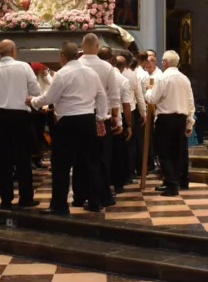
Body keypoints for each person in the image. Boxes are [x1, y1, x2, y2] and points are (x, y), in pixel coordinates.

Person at [28, 40, 109, 213]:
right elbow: (102, 96)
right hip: (88, 119)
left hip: (68, 123)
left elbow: (49, 98)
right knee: (91, 162)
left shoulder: (62, 74)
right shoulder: (91, 72)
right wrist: (100, 118)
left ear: (63, 56)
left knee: (61, 165)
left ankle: (59, 205)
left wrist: (32, 101)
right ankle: (95, 202)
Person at [0, 39, 40, 208]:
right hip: (20, 116)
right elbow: (36, 91)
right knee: (22, 158)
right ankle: (26, 197)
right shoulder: (23, 67)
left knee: (3, 159)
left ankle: (6, 198)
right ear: (14, 50)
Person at [146, 50, 195, 196]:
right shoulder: (185, 79)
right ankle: (172, 181)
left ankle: (172, 185)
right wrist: (189, 122)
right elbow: (190, 102)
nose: (162, 63)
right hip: (180, 119)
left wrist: (148, 90)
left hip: (165, 119)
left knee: (164, 152)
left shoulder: (162, 77)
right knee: (176, 152)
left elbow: (153, 99)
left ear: (166, 62)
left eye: (162, 61)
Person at [79, 37, 120, 206]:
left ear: (82, 46)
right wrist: (116, 118)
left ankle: (81, 196)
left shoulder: (75, 66)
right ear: (97, 47)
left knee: (82, 159)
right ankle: (104, 195)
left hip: (81, 115)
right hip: (103, 116)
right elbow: (114, 96)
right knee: (102, 158)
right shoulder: (107, 67)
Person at [121, 52, 146, 183]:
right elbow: (140, 97)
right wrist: (144, 114)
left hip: (116, 112)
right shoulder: (132, 75)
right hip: (130, 111)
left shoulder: (114, 72)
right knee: (130, 145)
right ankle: (129, 174)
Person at [112, 56, 134, 193]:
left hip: (98, 117)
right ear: (124, 67)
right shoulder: (122, 79)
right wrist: (129, 124)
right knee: (118, 154)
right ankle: (118, 185)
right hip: (117, 119)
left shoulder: (99, 74)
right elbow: (126, 105)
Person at [30, 62, 53, 169]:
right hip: (33, 108)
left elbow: (51, 87)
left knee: (39, 135)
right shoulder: (30, 76)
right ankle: (32, 159)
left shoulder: (46, 75)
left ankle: (38, 159)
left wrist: (46, 75)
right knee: (32, 136)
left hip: (43, 108)